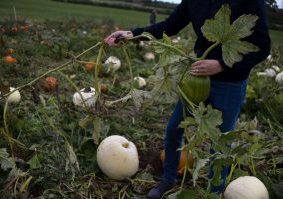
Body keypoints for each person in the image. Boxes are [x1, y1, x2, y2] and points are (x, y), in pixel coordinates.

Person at [104, 0, 271, 198]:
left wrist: (222, 64)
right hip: (196, 78)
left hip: (230, 83)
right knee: (174, 129)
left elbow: (263, 47)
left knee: (220, 144)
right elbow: (170, 25)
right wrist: (131, 34)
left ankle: (214, 192)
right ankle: (168, 179)